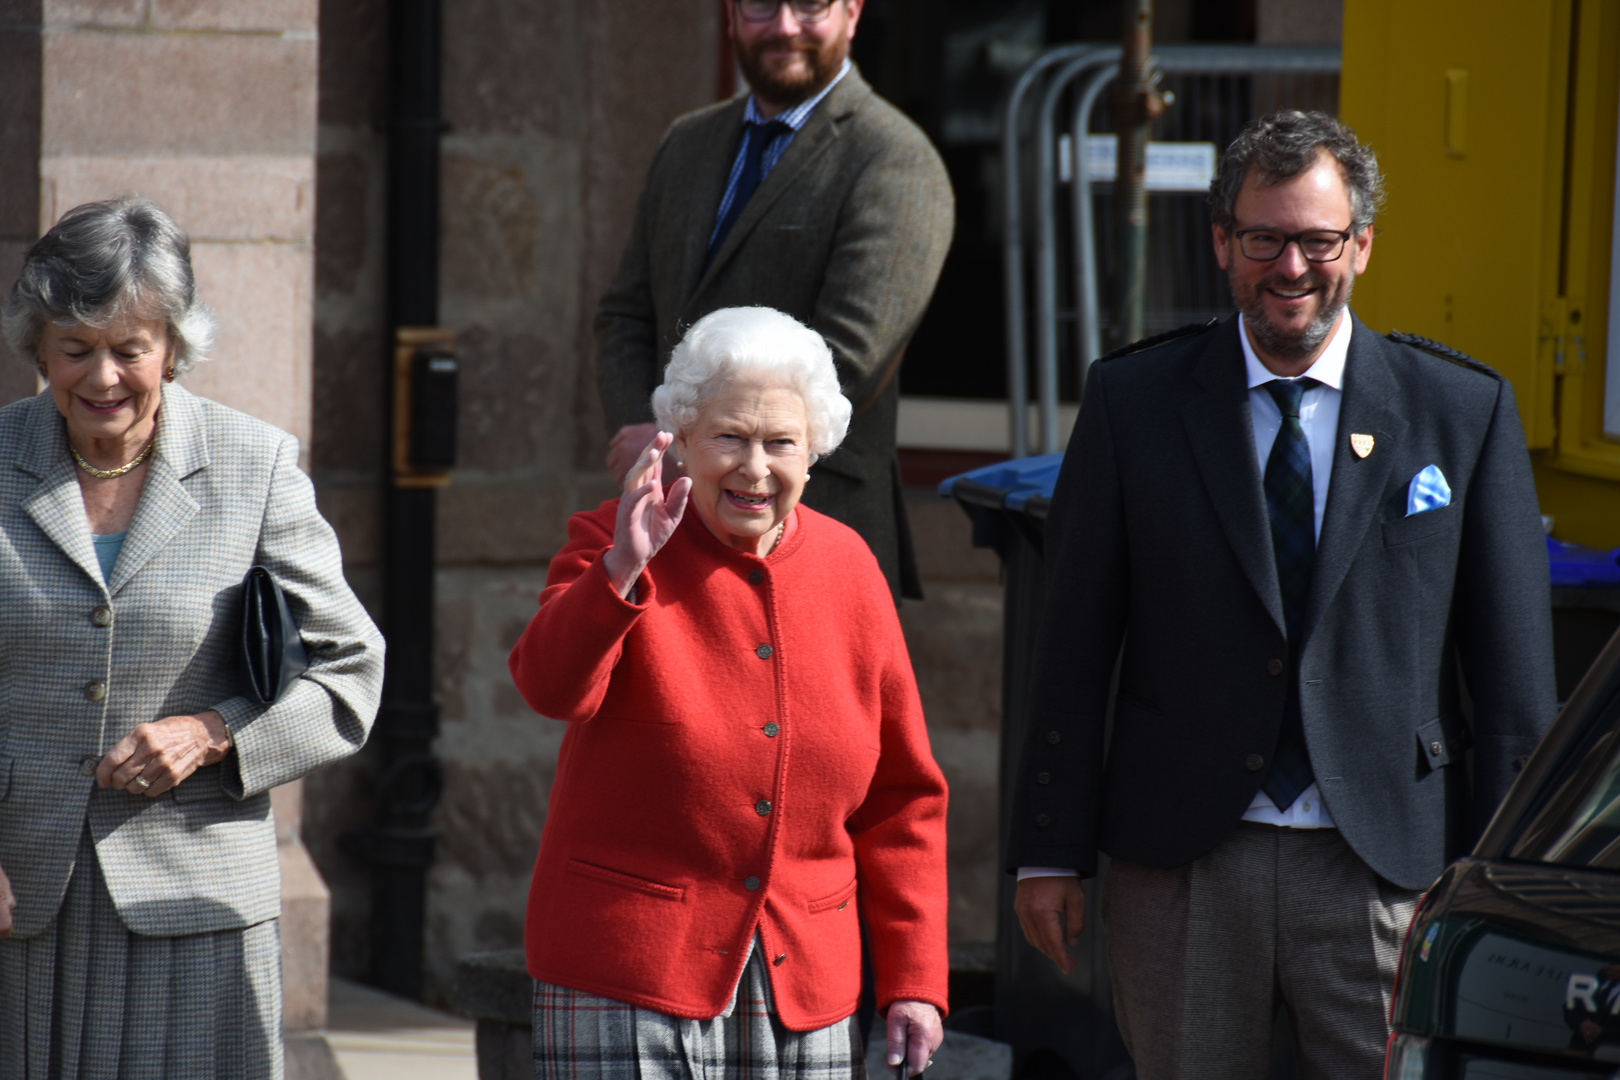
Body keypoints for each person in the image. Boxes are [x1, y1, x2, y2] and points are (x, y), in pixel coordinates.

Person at [1009, 111, 1557, 1078]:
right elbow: (1073, 645)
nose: (1292, 267)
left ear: (1363, 245)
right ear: (1222, 242)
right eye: (1264, 238)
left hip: (1386, 867)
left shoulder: (1462, 412)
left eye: (1318, 240)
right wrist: (1049, 850)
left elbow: (1513, 685)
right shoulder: (1133, 403)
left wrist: (1505, 889)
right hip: (1180, 864)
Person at [511, 306, 948, 1079]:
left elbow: (902, 797)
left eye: (781, 442)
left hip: (804, 983)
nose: (755, 469)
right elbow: (550, 687)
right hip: (627, 970)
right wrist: (621, 571)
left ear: (813, 454)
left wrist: (914, 980)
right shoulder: (616, 536)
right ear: (678, 440)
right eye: (729, 438)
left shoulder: (850, 569)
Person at [0, 197, 384, 1078]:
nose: (103, 377)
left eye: (130, 349)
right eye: (76, 348)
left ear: (173, 348)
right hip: (16, 899)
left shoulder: (256, 466)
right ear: (38, 347)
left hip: (195, 901)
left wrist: (216, 733)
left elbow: (351, 668)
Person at [595, 0, 954, 602]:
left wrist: (680, 443)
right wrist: (654, 444)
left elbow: (849, 363)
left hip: (810, 536)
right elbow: (625, 315)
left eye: (811, 5)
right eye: (762, 5)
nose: (785, 26)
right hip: (666, 528)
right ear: (732, 15)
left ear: (853, 12)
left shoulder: (894, 159)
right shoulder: (687, 142)